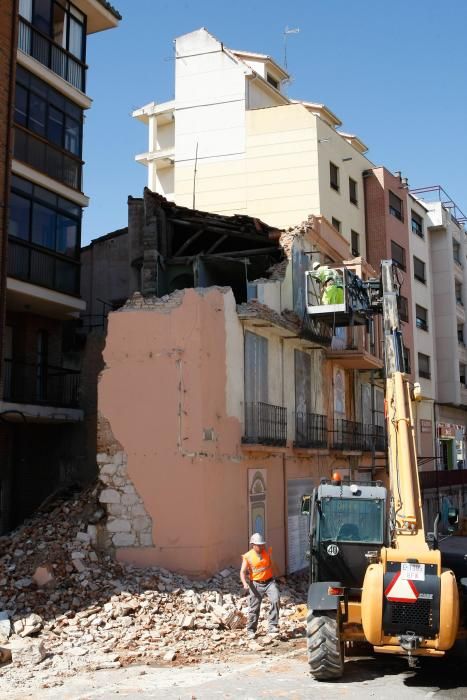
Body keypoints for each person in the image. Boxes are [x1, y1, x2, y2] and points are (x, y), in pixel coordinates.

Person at [240, 533, 280, 639]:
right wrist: (245, 584)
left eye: (262, 544)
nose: (261, 546)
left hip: (270, 582)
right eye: (259, 545)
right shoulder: (247, 556)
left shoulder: (267, 552)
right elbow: (243, 572)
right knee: (254, 608)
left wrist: (280, 576)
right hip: (256, 584)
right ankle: (251, 630)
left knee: (275, 600)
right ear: (253, 545)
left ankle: (272, 626)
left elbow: (273, 564)